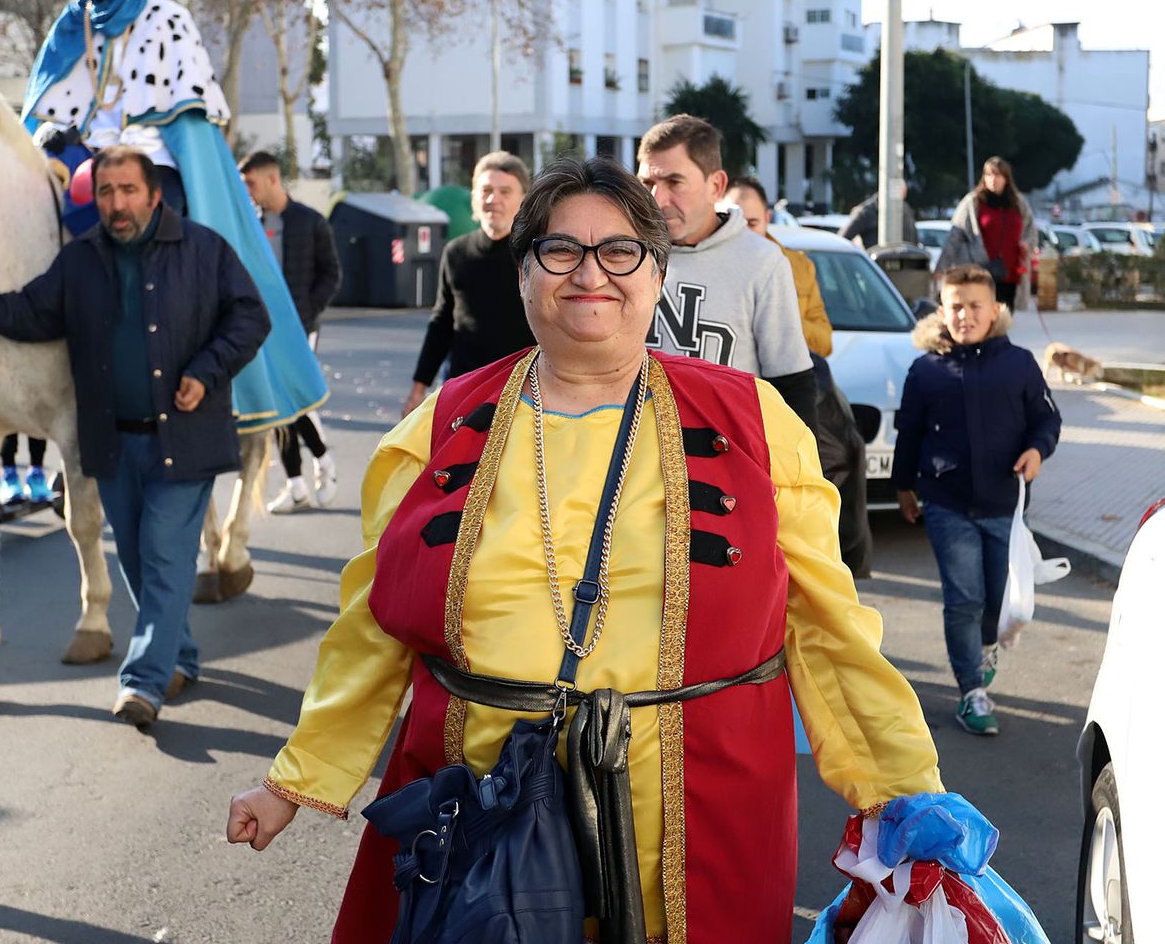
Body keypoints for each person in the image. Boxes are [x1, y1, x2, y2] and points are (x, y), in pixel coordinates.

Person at [226, 156, 953, 941]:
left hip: (705, 811)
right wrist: (295, 782)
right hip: (484, 812)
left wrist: (902, 788)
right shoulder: (439, 429)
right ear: (525, 271)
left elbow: (825, 626)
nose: (590, 274)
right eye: (560, 250)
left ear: (657, 272)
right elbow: (372, 632)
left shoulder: (755, 423)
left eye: (619, 251)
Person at [0, 146, 270, 726]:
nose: (117, 204)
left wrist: (206, 372)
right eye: (105, 193)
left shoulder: (204, 251)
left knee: (162, 553)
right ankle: (178, 655)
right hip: (112, 443)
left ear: (154, 195)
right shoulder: (81, 260)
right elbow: (30, 313)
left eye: (128, 191)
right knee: (134, 559)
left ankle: (144, 683)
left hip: (186, 438)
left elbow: (250, 316)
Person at [23, 0, 325, 436]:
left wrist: (118, 152)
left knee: (165, 252)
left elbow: (184, 117)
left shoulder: (168, 20)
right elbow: (55, 101)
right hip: (86, 161)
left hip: (156, 165)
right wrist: (59, 133)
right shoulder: (75, 25)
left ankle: (174, 357)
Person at [892, 264, 1060, 736]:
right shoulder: (925, 370)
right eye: (955, 306)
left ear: (994, 311)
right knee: (963, 599)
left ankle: (987, 645)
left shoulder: (1019, 364)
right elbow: (909, 436)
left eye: (975, 306)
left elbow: (1046, 422)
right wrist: (904, 487)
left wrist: (1036, 450)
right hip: (947, 503)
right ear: (942, 310)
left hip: (1004, 504)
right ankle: (972, 692)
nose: (965, 314)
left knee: (995, 599)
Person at [726, 174, 872, 576]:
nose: (741, 227)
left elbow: (822, 337)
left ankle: (842, 563)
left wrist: (778, 322)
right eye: (731, 216)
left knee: (841, 460)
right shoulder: (711, 261)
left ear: (767, 218)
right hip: (740, 403)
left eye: (751, 221)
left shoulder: (794, 265)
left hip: (795, 384)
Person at [636, 115, 818, 429]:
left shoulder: (762, 262)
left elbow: (792, 385)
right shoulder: (621, 254)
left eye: (674, 183)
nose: (657, 199)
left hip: (724, 461)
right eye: (647, 183)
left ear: (716, 185)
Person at [238, 151, 341, 514]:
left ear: (272, 179)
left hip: (299, 329)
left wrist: (304, 315)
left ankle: (324, 462)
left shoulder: (309, 222)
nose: (246, 190)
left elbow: (331, 274)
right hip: (260, 330)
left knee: (293, 400)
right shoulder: (249, 225)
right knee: (275, 405)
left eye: (250, 182)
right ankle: (297, 484)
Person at [401, 152, 537, 418]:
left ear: (523, 200)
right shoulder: (455, 252)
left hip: (523, 394)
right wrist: (418, 389)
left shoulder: (536, 255)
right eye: (485, 190)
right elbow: (441, 323)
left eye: (504, 191)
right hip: (464, 390)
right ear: (474, 197)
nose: (492, 199)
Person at [723, 175, 832, 357]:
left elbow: (824, 343)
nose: (743, 233)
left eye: (752, 223)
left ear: (767, 218)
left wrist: (779, 317)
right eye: (733, 221)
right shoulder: (702, 263)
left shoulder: (798, 266)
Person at [941, 157, 1035, 307]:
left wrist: (1026, 244)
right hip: (981, 272)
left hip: (1010, 274)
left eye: (997, 175)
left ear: (1006, 179)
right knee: (982, 316)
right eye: (988, 175)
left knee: (1004, 319)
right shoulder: (974, 202)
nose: (992, 179)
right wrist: (942, 268)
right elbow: (955, 235)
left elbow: (1031, 231)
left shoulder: (1018, 203)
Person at [837, 188, 919, 249]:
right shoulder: (866, 212)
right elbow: (840, 241)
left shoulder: (906, 210)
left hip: (905, 267)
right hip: (874, 267)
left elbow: (915, 242)